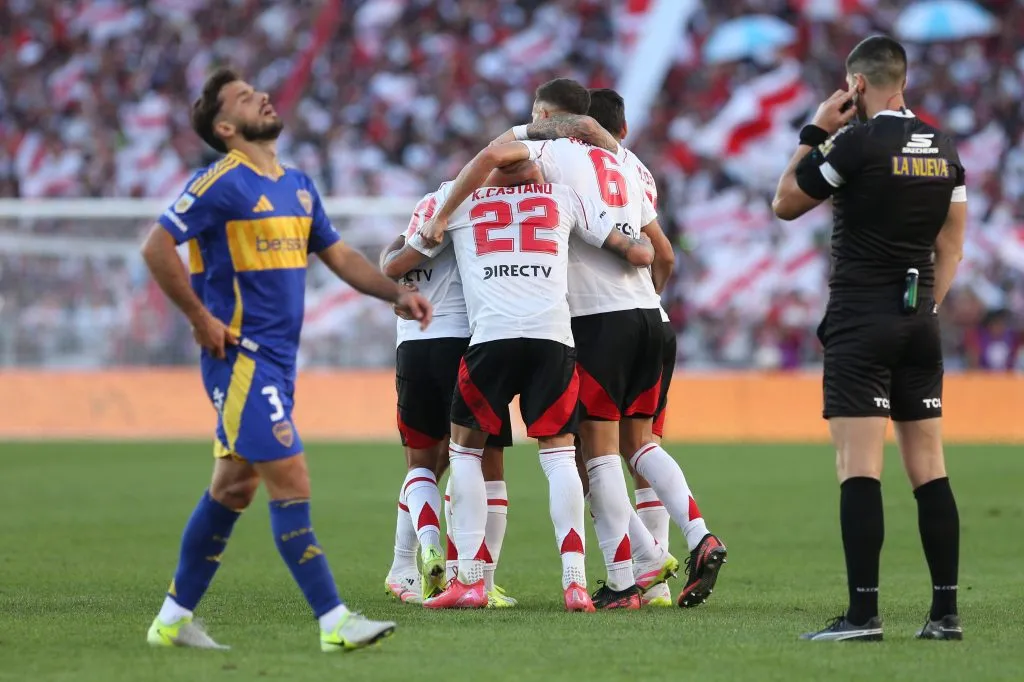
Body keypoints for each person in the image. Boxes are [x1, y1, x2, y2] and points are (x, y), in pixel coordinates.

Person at [140, 68, 432, 652]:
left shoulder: (297, 184)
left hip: (278, 363)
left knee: (232, 490)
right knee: (291, 476)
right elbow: (155, 246)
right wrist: (200, 319)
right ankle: (334, 622)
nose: (263, 97)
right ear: (226, 126)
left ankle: (170, 622)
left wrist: (394, 292)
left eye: (258, 92)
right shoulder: (221, 182)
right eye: (246, 98)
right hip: (240, 358)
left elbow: (338, 253)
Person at [443, 79, 727, 610]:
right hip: (652, 317)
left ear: (549, 118)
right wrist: (648, 298)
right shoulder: (631, 166)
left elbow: (495, 160)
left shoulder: (549, 153)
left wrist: (443, 215)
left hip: (596, 320)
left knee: (594, 457)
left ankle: (625, 580)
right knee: (641, 446)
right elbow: (662, 253)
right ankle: (689, 543)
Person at [772, 36, 967, 642]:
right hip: (919, 322)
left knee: (859, 467)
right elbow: (951, 245)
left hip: (861, 318)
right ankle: (944, 615)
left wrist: (811, 131)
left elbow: (784, 203)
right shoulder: (943, 145)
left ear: (856, 86)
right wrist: (923, 310)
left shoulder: (855, 141)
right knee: (930, 467)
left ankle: (862, 615)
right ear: (902, 81)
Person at [410, 159, 655, 610]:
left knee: (465, 451)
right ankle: (576, 583)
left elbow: (403, 260)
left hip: (492, 337)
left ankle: (469, 580)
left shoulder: (461, 202)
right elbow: (638, 252)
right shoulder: (562, 196)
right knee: (561, 457)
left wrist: (430, 232)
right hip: (552, 338)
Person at [380, 188, 517, 608]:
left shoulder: (423, 208)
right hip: (467, 345)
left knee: (422, 465)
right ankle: (475, 577)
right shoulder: (474, 209)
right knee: (479, 460)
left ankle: (412, 560)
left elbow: (396, 262)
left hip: (413, 347)